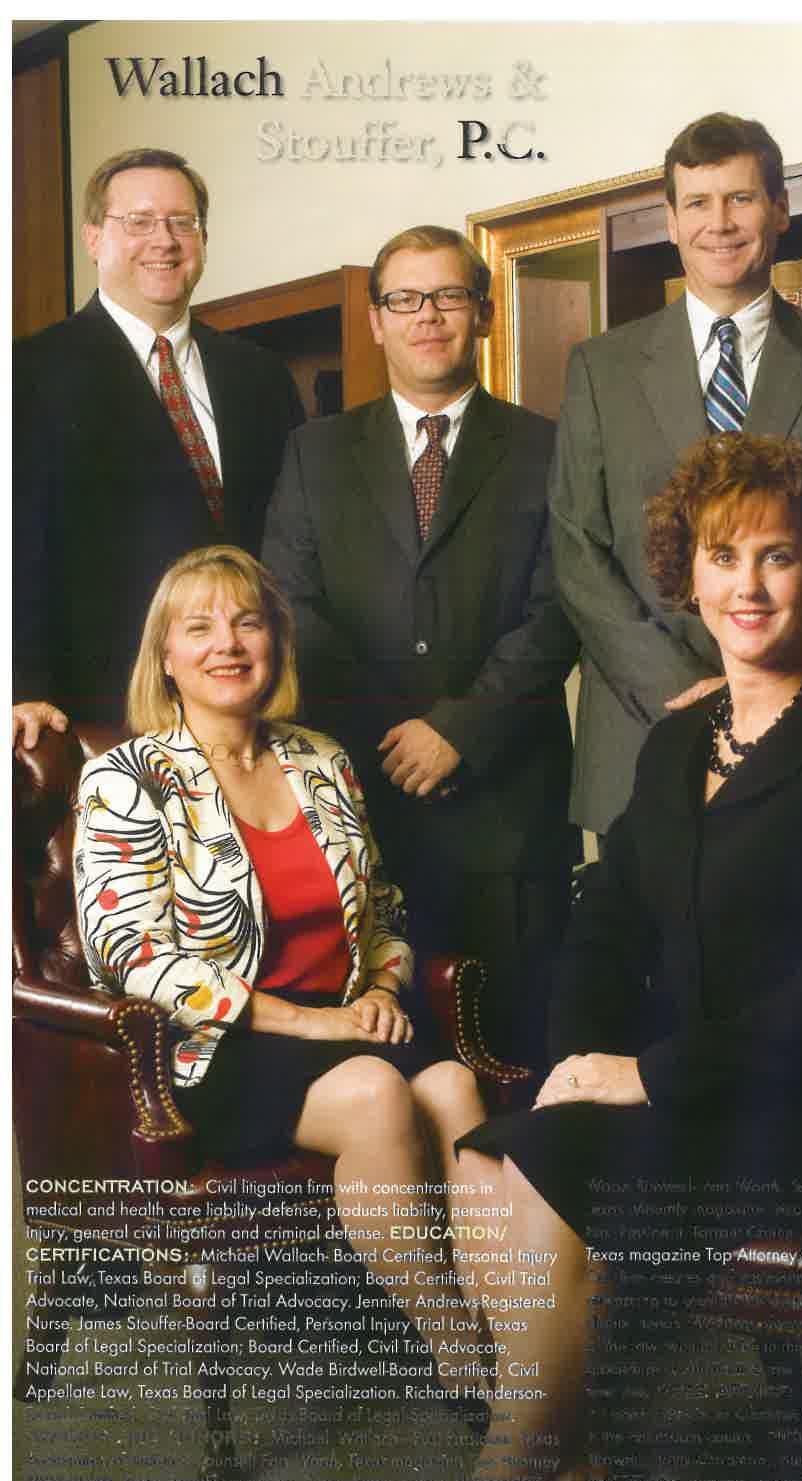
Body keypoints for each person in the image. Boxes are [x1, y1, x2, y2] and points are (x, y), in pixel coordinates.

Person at [348, 435, 802, 1481]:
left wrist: (647, 1074)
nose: (749, 585)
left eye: (779, 556)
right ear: (688, 575)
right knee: (492, 1153)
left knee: (530, 1165)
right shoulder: (679, 740)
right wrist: (579, 1059)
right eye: (724, 557)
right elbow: (606, 924)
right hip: (688, 1094)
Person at [72, 546, 489, 1382]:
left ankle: (508, 1341)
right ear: (166, 655)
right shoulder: (126, 778)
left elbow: (384, 909)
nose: (227, 644)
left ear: (275, 644)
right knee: (375, 1094)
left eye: (247, 623)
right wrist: (310, 1023)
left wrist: (382, 986)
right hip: (221, 1046)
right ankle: (458, 1354)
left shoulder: (322, 760)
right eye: (199, 627)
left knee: (453, 1087)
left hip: (345, 1023)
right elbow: (129, 954)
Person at [263, 226, 577, 1065]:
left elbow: (561, 610)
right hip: (362, 803)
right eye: (404, 299)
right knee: (380, 1065)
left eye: (447, 296)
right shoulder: (315, 452)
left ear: (483, 313)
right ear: (376, 320)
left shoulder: (550, 446)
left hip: (507, 813)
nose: (426, 316)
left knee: (515, 1061)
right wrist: (396, 733)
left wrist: (457, 730)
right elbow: (291, 607)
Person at [551, 112, 802, 839]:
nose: (719, 223)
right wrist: (683, 688)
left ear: (780, 209)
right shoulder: (601, 368)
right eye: (697, 202)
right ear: (671, 221)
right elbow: (576, 550)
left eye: (741, 198)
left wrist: (771, 691)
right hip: (639, 729)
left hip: (798, 730)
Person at [13, 147, 305, 746]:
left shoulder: (261, 375)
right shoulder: (28, 374)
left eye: (182, 222)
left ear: (203, 239)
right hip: (106, 709)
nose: (164, 241)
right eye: (139, 221)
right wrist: (20, 684)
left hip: (254, 706)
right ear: (94, 238)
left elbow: (296, 540)